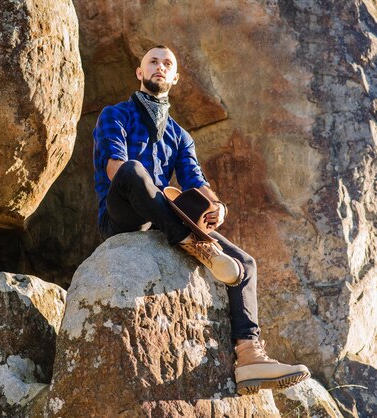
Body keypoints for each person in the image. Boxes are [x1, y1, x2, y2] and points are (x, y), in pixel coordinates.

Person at [92, 44, 310, 395]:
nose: (159, 67)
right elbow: (117, 170)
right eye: (152, 62)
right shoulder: (114, 115)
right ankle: (195, 245)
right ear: (139, 72)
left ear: (175, 78)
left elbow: (196, 181)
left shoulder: (180, 135)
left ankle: (249, 355)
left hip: (164, 217)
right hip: (124, 214)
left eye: (167, 64)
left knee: (245, 263)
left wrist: (217, 206)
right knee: (134, 170)